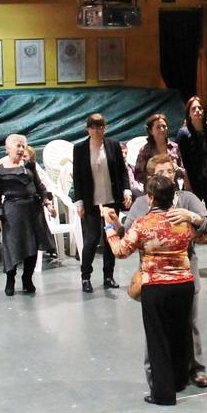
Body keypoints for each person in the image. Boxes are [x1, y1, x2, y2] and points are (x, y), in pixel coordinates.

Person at [102, 174, 196, 406]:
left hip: (156, 286)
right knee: (180, 334)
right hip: (184, 283)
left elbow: (121, 251)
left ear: (150, 198)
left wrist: (109, 228)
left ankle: (163, 394)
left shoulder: (143, 224)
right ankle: (179, 381)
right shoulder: (183, 220)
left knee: (158, 339)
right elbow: (203, 236)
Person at [125, 153, 207, 388]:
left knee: (189, 320)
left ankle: (195, 369)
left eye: (170, 171)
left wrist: (190, 216)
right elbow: (129, 230)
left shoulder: (186, 198)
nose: (167, 175)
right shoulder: (142, 203)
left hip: (185, 268)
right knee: (155, 326)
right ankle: (156, 374)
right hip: (153, 272)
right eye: (161, 172)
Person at [72, 113, 132, 293]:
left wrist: (126, 190)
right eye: (93, 126)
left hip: (111, 199)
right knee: (91, 239)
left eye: (100, 126)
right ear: (87, 129)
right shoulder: (80, 148)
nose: (97, 130)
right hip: (91, 201)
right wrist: (79, 201)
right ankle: (85, 277)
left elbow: (122, 172)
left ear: (105, 128)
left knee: (110, 240)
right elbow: (77, 177)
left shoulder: (113, 145)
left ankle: (108, 276)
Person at [0, 134, 55, 295]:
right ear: (8, 148)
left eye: (23, 146)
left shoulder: (29, 165)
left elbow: (39, 186)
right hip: (13, 211)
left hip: (33, 210)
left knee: (33, 246)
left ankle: (27, 278)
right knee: (13, 246)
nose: (20, 149)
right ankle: (10, 279)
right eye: (17, 146)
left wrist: (47, 203)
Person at [175, 95, 207, 274]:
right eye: (193, 109)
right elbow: (183, 161)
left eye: (200, 108)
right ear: (189, 113)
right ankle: (190, 257)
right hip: (194, 183)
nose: (197, 111)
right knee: (190, 220)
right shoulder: (183, 133)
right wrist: (188, 185)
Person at [133, 112, 182, 187]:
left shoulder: (174, 147)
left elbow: (181, 172)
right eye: (158, 127)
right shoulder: (145, 151)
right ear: (151, 131)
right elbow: (137, 175)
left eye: (164, 126)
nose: (162, 129)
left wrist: (176, 169)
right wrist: (154, 177)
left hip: (173, 189)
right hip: (153, 191)